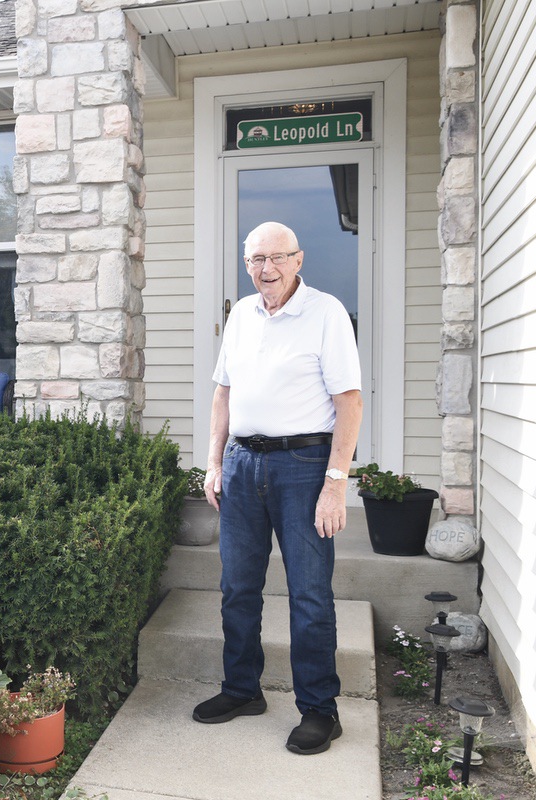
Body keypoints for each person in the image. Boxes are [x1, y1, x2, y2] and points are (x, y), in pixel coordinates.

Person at [193, 221, 363, 756]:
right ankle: (243, 690)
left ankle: (320, 709)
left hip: (304, 467)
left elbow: (349, 404)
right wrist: (214, 462)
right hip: (243, 466)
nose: (265, 269)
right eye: (255, 260)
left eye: (276, 258)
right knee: (237, 587)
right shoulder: (242, 315)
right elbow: (223, 394)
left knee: (309, 593)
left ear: (298, 259)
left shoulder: (327, 313)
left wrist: (335, 484)